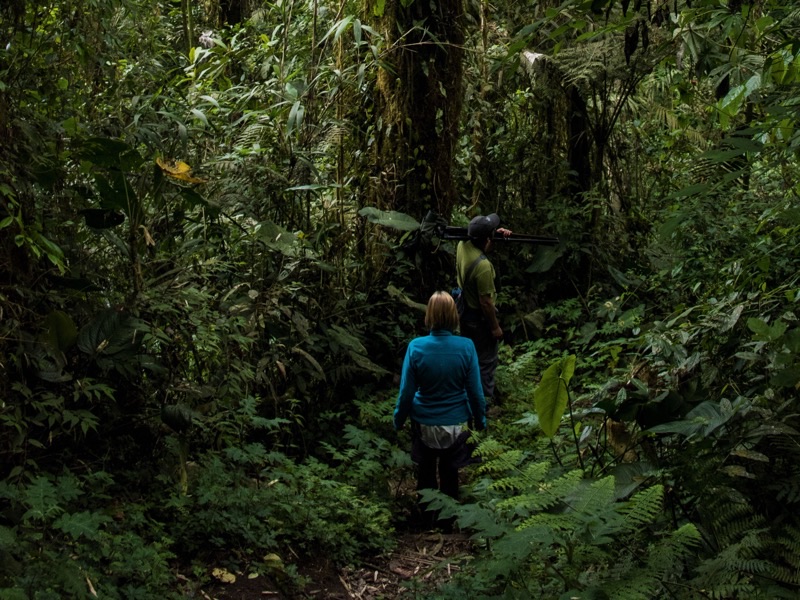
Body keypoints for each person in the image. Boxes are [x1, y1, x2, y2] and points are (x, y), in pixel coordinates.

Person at [394, 291, 487, 521]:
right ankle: (449, 519)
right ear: (454, 316)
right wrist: (481, 421)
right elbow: (476, 392)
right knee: (450, 472)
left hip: (424, 424)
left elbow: (406, 393)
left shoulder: (416, 347)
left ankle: (426, 517)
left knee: (425, 473)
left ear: (430, 315)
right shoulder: (466, 347)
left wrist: (398, 420)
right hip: (457, 425)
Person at [456, 213, 512, 402]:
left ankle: (465, 397)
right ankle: (481, 404)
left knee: (468, 358)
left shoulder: (462, 245)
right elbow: (486, 303)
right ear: (487, 239)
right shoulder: (484, 267)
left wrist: (493, 236)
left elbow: (479, 237)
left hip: (464, 311)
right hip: (479, 319)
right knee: (485, 362)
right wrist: (495, 327)